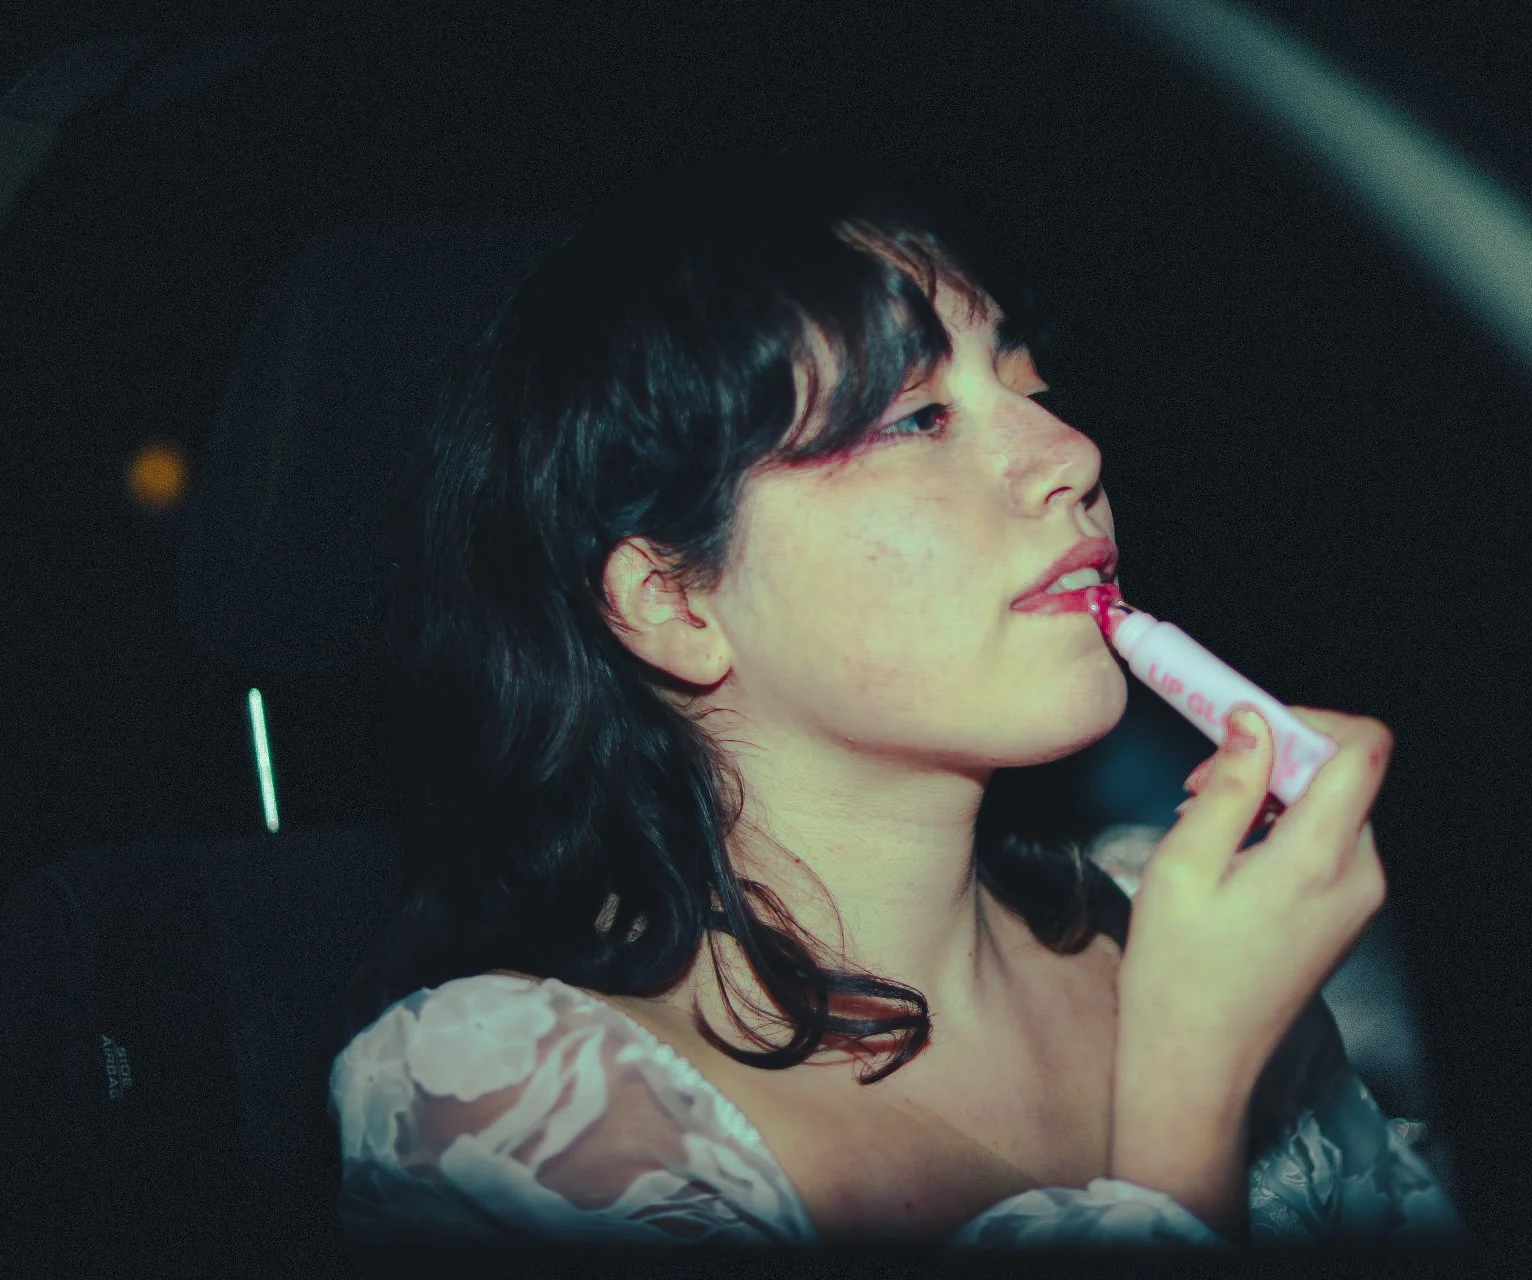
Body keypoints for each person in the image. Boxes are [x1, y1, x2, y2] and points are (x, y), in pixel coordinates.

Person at [329, 153, 1462, 1249]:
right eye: (918, 417)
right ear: (675, 602)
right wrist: (1186, 1085)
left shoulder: (1172, 921)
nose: (1070, 451)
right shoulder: (503, 1106)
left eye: (1031, 387)